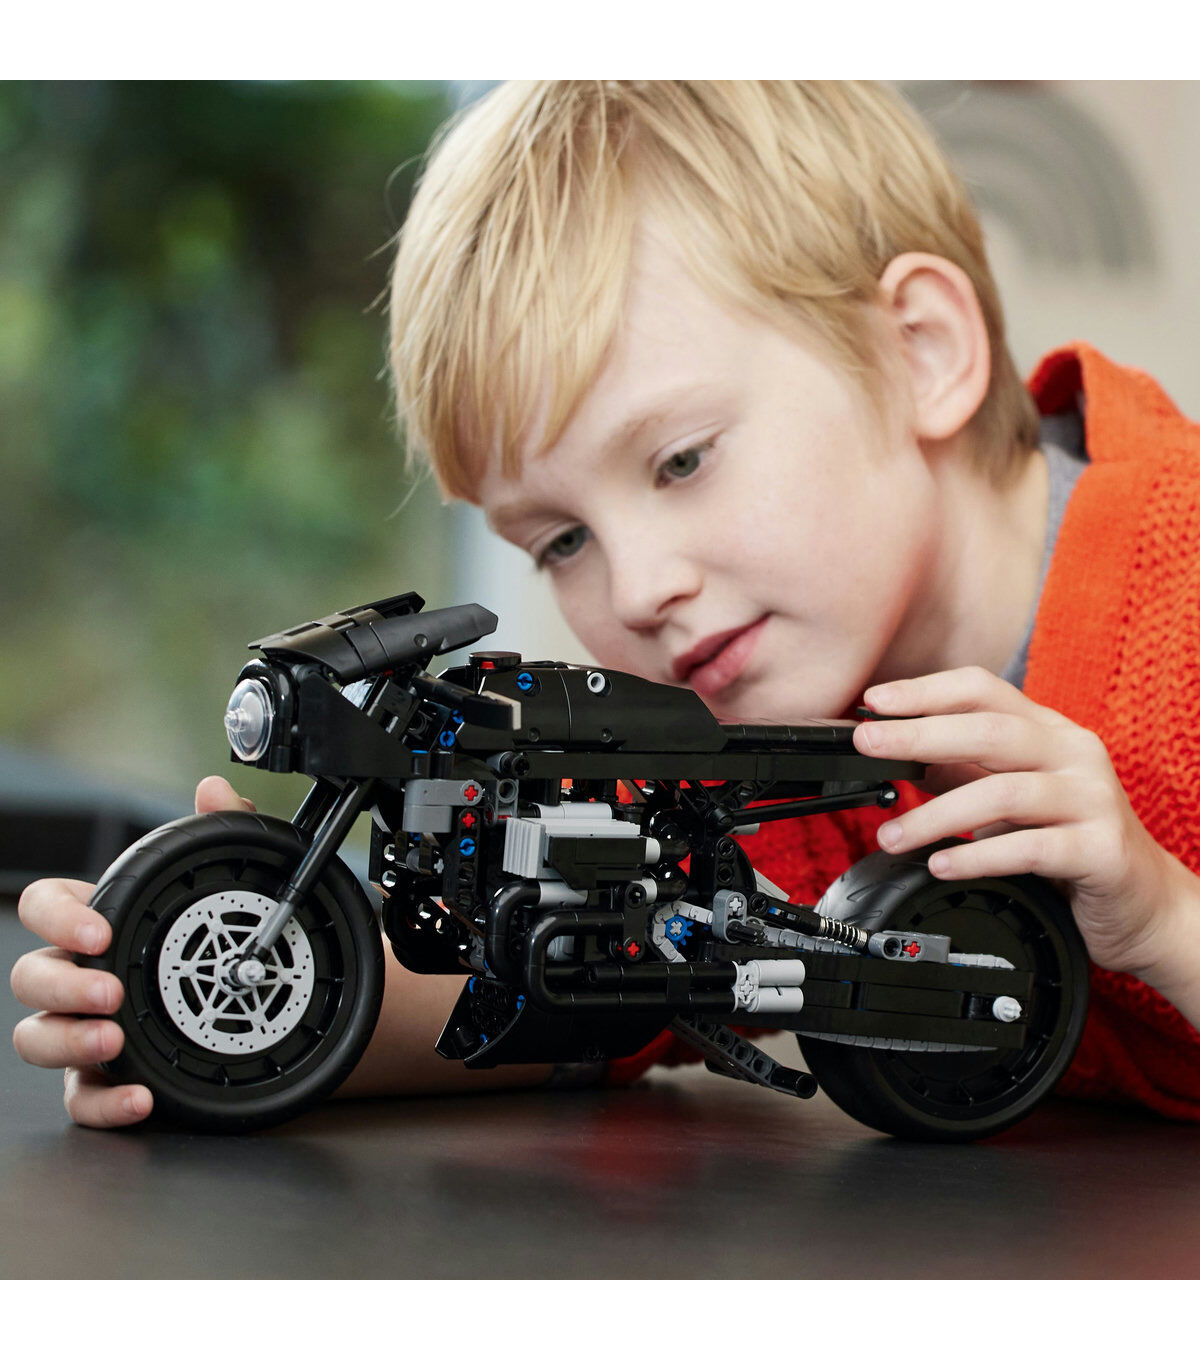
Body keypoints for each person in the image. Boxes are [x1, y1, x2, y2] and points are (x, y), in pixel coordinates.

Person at [12, 81, 1200, 1129]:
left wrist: (1164, 916)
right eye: (563, 541)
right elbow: (572, 999)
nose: (637, 591)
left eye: (681, 460)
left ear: (920, 354)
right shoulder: (745, 728)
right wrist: (202, 1008)